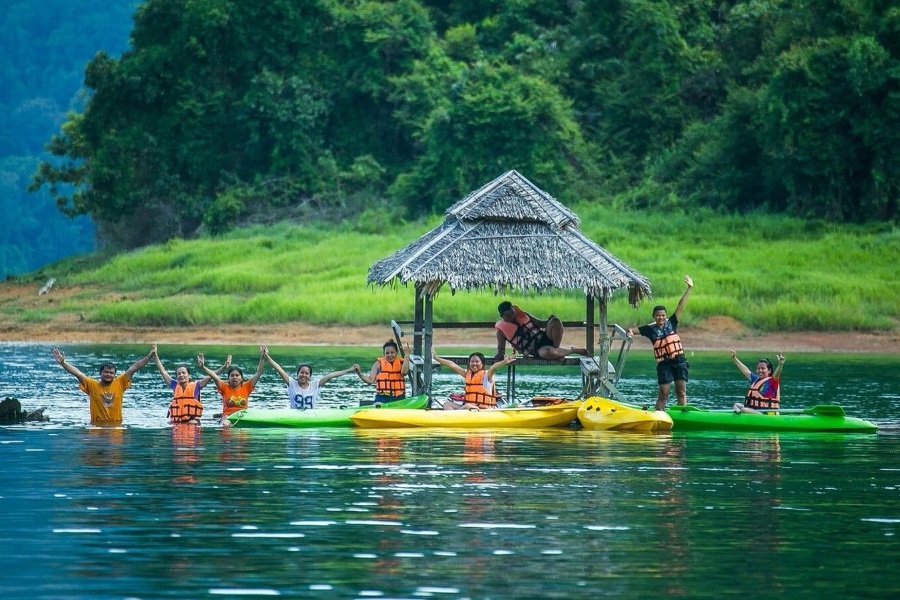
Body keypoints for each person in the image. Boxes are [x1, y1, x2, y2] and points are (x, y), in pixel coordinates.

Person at [627, 275, 693, 411]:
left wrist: (689, 289)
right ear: (654, 317)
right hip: (664, 365)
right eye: (658, 315)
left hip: (679, 361)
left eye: (663, 315)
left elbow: (681, 305)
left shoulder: (672, 322)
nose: (661, 317)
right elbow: (631, 330)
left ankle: (683, 415)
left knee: (681, 392)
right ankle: (658, 414)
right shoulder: (650, 330)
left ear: (666, 316)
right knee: (663, 393)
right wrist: (629, 334)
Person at [51, 346, 155, 425]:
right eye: (106, 372)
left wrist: (149, 357)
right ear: (100, 373)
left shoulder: (120, 382)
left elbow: (134, 368)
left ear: (115, 375)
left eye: (111, 373)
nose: (108, 375)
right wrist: (63, 363)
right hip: (96, 428)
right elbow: (77, 373)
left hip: (116, 428)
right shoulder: (92, 385)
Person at [153, 343, 229, 424]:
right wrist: (155, 355)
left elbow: (211, 376)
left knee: (192, 423)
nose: (181, 375)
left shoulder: (197, 385)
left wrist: (223, 367)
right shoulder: (174, 385)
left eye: (183, 373)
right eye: (179, 374)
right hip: (176, 422)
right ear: (176, 377)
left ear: (188, 375)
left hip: (193, 422)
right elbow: (163, 372)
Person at [265, 347, 361, 409]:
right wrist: (267, 357)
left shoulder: (315, 385)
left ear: (310, 376)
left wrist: (349, 370)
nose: (304, 375)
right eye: (301, 373)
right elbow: (279, 369)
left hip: (310, 417)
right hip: (294, 416)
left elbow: (331, 375)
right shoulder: (291, 383)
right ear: (297, 374)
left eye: (306, 373)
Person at [494, 301, 589, 361]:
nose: (513, 317)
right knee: (547, 352)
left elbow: (540, 323)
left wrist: (549, 320)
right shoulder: (501, 332)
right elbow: (500, 349)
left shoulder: (523, 315)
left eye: (513, 314)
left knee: (555, 321)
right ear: (502, 316)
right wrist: (499, 354)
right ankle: (571, 351)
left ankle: (557, 350)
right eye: (509, 316)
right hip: (536, 349)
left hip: (544, 337)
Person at [198, 346, 267, 426]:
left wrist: (262, 358)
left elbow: (258, 373)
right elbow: (214, 376)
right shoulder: (224, 387)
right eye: (232, 375)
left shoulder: (247, 386)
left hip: (243, 417)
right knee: (226, 424)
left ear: (241, 378)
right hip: (227, 417)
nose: (234, 377)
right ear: (228, 378)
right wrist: (203, 367)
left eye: (237, 375)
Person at [432, 348, 517, 410]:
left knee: (467, 406)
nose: (474, 364)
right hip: (470, 408)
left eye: (477, 361)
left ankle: (453, 419)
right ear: (469, 363)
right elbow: (452, 365)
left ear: (482, 363)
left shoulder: (487, 375)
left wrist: (504, 362)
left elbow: (494, 367)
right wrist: (436, 358)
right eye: (472, 361)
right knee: (447, 404)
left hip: (485, 410)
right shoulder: (467, 374)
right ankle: (450, 420)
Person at [357, 340, 410, 406]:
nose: (390, 355)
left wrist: (407, 356)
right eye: (387, 353)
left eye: (392, 352)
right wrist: (360, 373)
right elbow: (370, 381)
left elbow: (404, 372)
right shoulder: (378, 364)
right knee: (378, 406)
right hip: (382, 398)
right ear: (384, 353)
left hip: (399, 397)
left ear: (396, 352)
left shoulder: (401, 363)